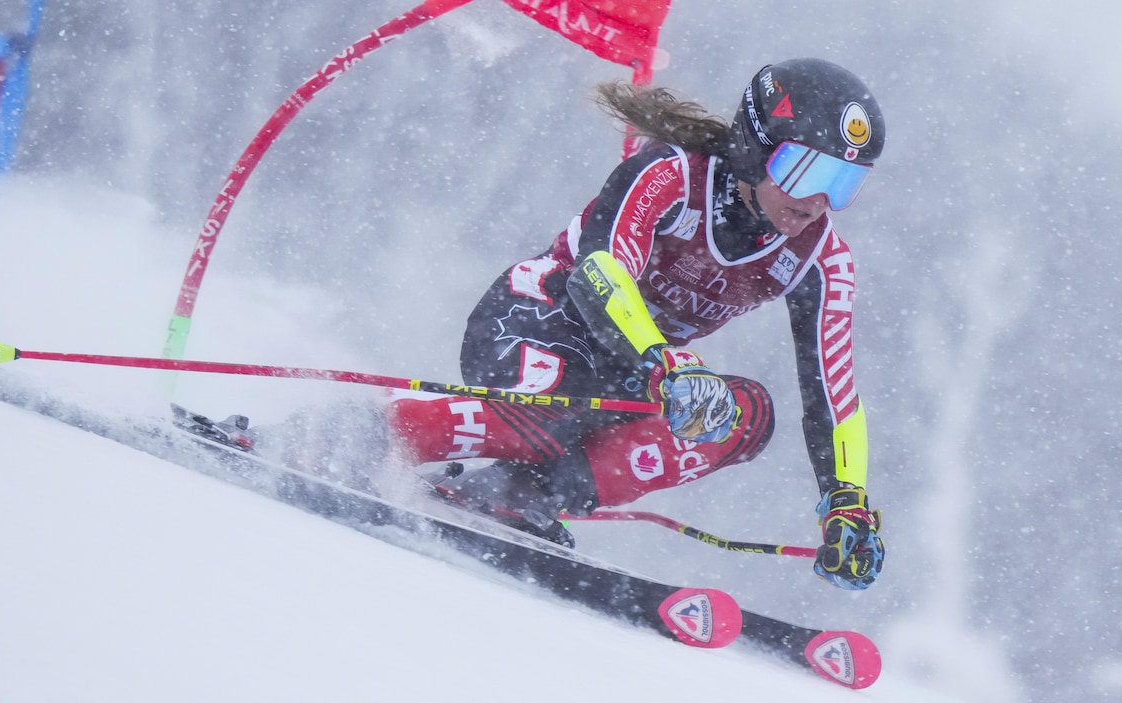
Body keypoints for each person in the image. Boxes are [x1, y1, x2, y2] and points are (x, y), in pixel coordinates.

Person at [243, 57, 886, 591]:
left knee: (746, 417)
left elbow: (832, 390)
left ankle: (527, 493)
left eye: (844, 184)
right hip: (536, 323)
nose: (816, 203)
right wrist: (667, 363)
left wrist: (846, 503)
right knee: (561, 407)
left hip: (631, 378)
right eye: (805, 172)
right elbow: (599, 275)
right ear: (755, 148)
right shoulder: (670, 175)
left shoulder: (822, 259)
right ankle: (350, 434)